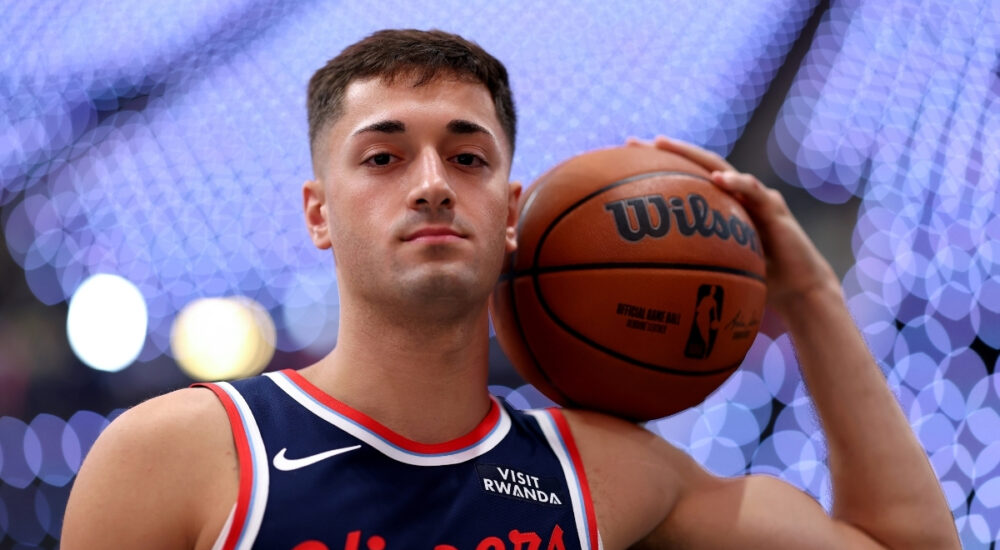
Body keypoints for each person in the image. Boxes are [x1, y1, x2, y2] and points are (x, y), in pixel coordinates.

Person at [62, 29, 959, 549]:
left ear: (513, 210)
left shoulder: (608, 473)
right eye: (382, 156)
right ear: (319, 212)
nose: (430, 183)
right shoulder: (177, 456)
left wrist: (809, 297)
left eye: (467, 156)